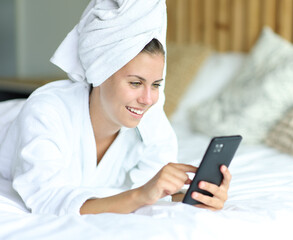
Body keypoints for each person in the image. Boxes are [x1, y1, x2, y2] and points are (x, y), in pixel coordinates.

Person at [0, 0, 231, 216]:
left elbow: (157, 191)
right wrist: (139, 196)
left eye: (156, 85)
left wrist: (195, 198)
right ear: (100, 74)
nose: (148, 99)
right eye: (135, 83)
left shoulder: (151, 122)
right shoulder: (47, 112)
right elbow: (44, 198)